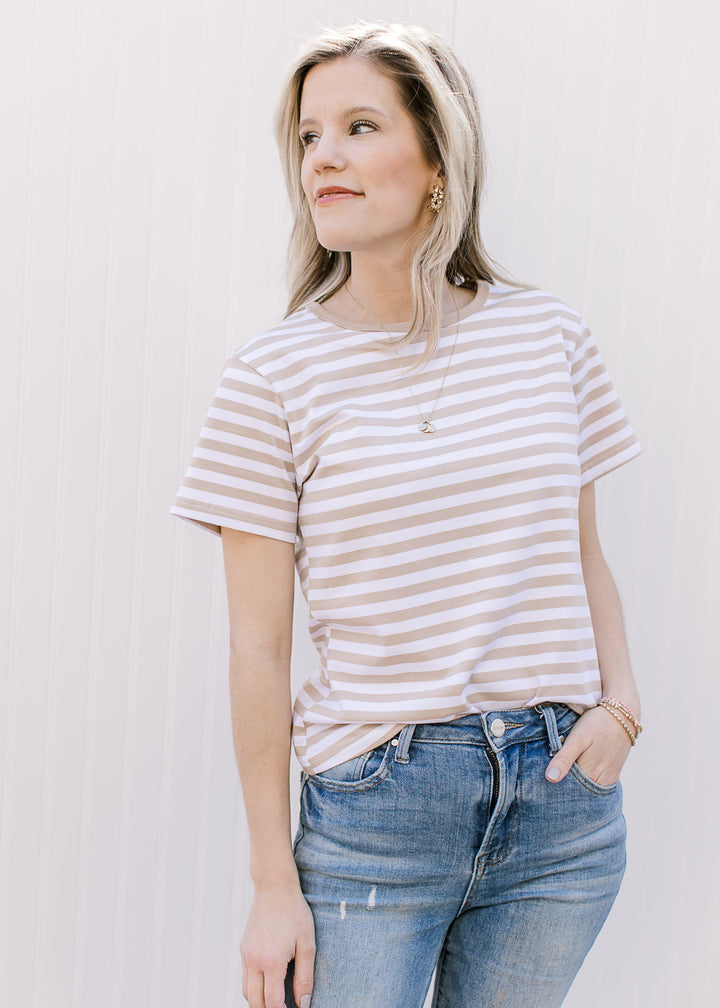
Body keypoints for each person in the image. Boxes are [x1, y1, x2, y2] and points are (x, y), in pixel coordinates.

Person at [172, 21, 643, 1008]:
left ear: (439, 159)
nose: (323, 158)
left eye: (356, 126)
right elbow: (257, 649)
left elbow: (585, 553)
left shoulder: (548, 336)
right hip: (379, 809)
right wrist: (272, 885)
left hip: (561, 808)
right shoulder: (272, 378)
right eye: (307, 136)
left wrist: (623, 709)